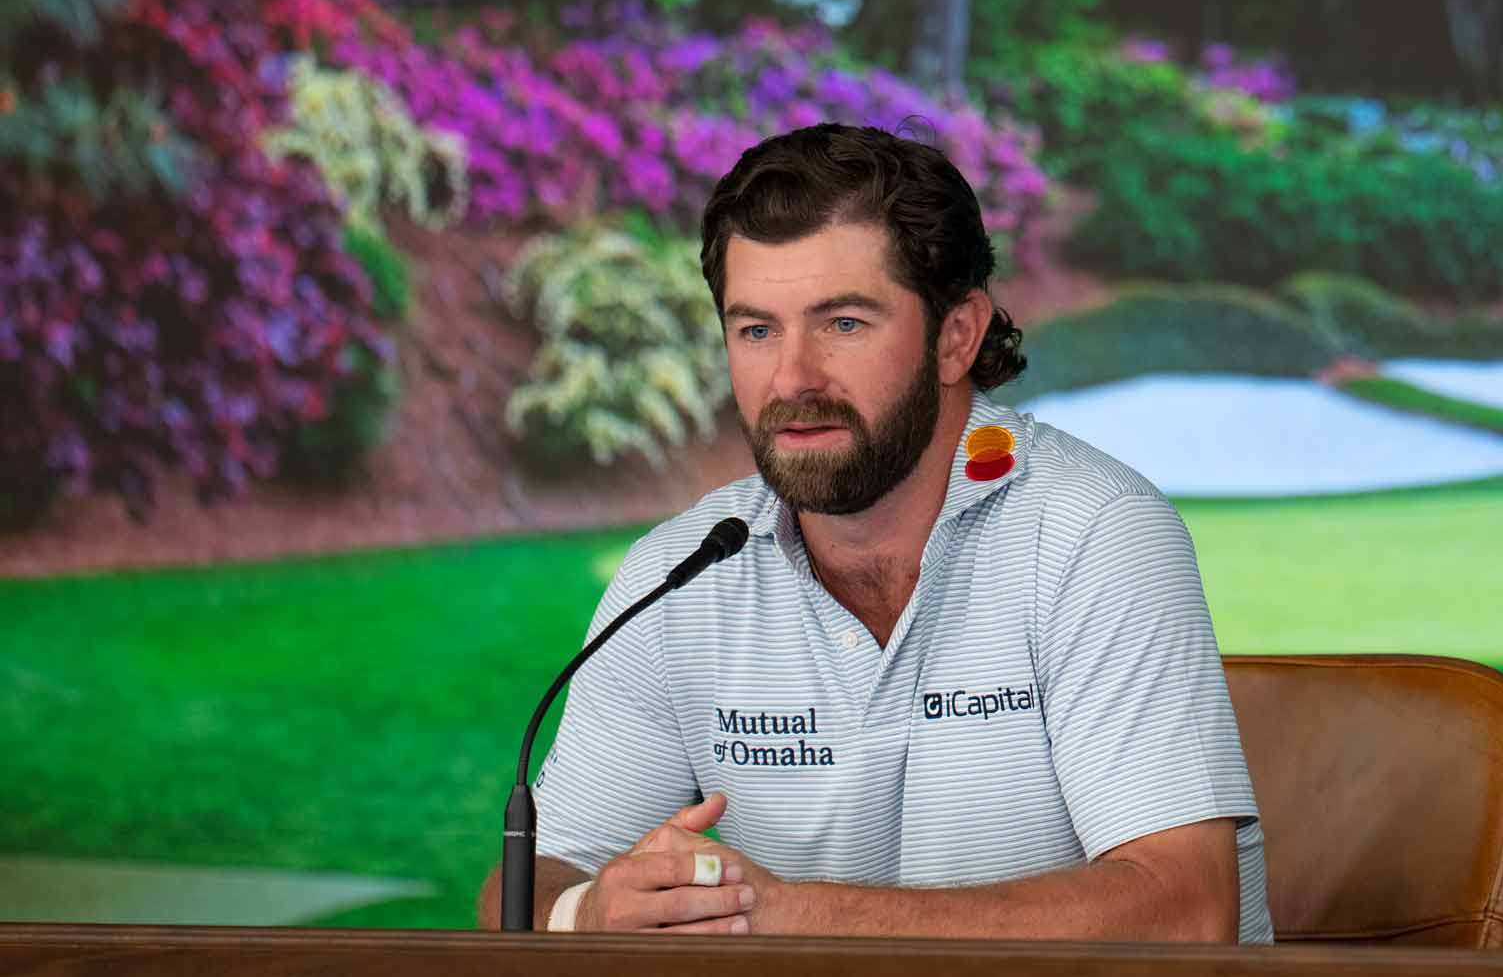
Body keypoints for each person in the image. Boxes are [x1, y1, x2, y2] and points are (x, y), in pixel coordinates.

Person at [475, 123, 1272, 943]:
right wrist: (586, 910)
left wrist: (790, 914)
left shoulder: (1095, 536)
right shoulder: (679, 576)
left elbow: (1186, 911)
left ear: (957, 335)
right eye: (756, 330)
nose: (792, 379)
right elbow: (533, 879)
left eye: (844, 323)